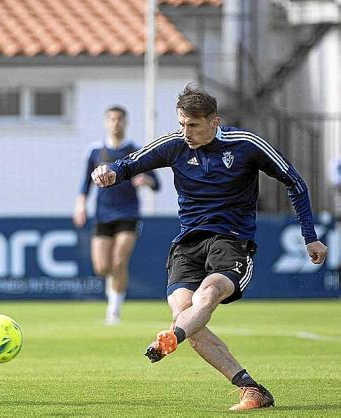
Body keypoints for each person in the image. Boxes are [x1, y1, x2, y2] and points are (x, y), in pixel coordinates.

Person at [91, 84, 327, 411]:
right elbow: (130, 163)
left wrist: (309, 235)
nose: (185, 132)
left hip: (231, 240)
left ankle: (172, 338)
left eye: (194, 125)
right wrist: (109, 171)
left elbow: (294, 181)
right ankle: (250, 388)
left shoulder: (246, 144)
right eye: (182, 124)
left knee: (205, 298)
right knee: (185, 312)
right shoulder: (174, 145)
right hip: (187, 243)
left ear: (214, 122)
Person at [74, 106, 160, 325]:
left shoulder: (135, 151)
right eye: (112, 119)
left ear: (126, 122)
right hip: (103, 215)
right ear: (106, 122)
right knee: (102, 268)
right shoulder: (95, 151)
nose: (116, 123)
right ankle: (112, 285)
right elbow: (85, 183)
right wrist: (80, 205)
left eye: (120, 119)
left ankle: (114, 311)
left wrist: (146, 181)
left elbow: (156, 182)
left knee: (119, 262)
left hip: (128, 213)